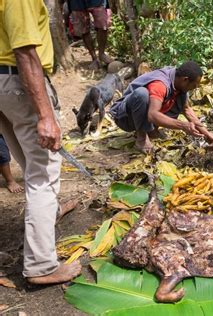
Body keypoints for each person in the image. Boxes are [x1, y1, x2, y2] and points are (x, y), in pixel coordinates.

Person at [0, 0, 82, 283]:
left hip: (4, 85)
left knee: (28, 161)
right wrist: (45, 115)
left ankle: (47, 215)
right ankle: (41, 266)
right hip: (18, 83)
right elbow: (24, 51)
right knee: (43, 175)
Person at [109, 61, 213, 153]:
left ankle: (151, 130)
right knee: (142, 94)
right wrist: (182, 125)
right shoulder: (160, 85)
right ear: (185, 79)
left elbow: (186, 110)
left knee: (179, 97)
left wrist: (207, 134)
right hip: (125, 117)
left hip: (146, 113)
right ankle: (141, 137)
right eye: (194, 85)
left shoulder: (178, 81)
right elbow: (152, 115)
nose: (194, 88)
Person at [68, 0, 113, 69]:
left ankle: (101, 54)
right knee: (84, 30)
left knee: (103, 25)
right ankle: (94, 58)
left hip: (97, 2)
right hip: (76, 2)